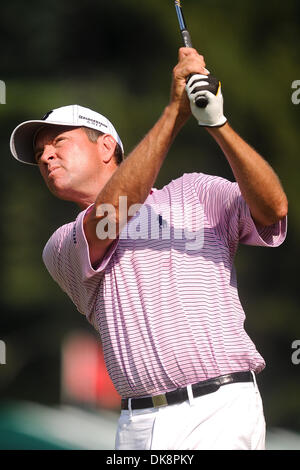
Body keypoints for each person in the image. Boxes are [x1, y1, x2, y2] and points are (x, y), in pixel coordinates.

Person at [10, 48, 288, 450]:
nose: (45, 156)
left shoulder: (195, 192)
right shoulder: (62, 244)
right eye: (39, 154)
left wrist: (218, 124)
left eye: (57, 142)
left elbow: (272, 207)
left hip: (219, 410)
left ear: (106, 147)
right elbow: (114, 212)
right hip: (135, 425)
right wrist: (175, 113)